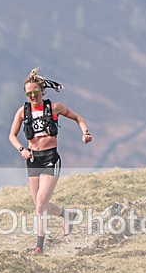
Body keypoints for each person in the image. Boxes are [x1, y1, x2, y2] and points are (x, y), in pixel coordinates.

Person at [8, 69, 92, 255]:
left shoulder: (54, 107)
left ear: (42, 91)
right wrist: (22, 149)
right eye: (29, 94)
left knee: (40, 205)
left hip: (50, 159)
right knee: (40, 205)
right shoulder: (23, 112)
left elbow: (78, 118)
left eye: (35, 93)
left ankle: (40, 246)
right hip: (32, 160)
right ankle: (68, 215)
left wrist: (85, 132)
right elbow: (12, 136)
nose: (32, 96)